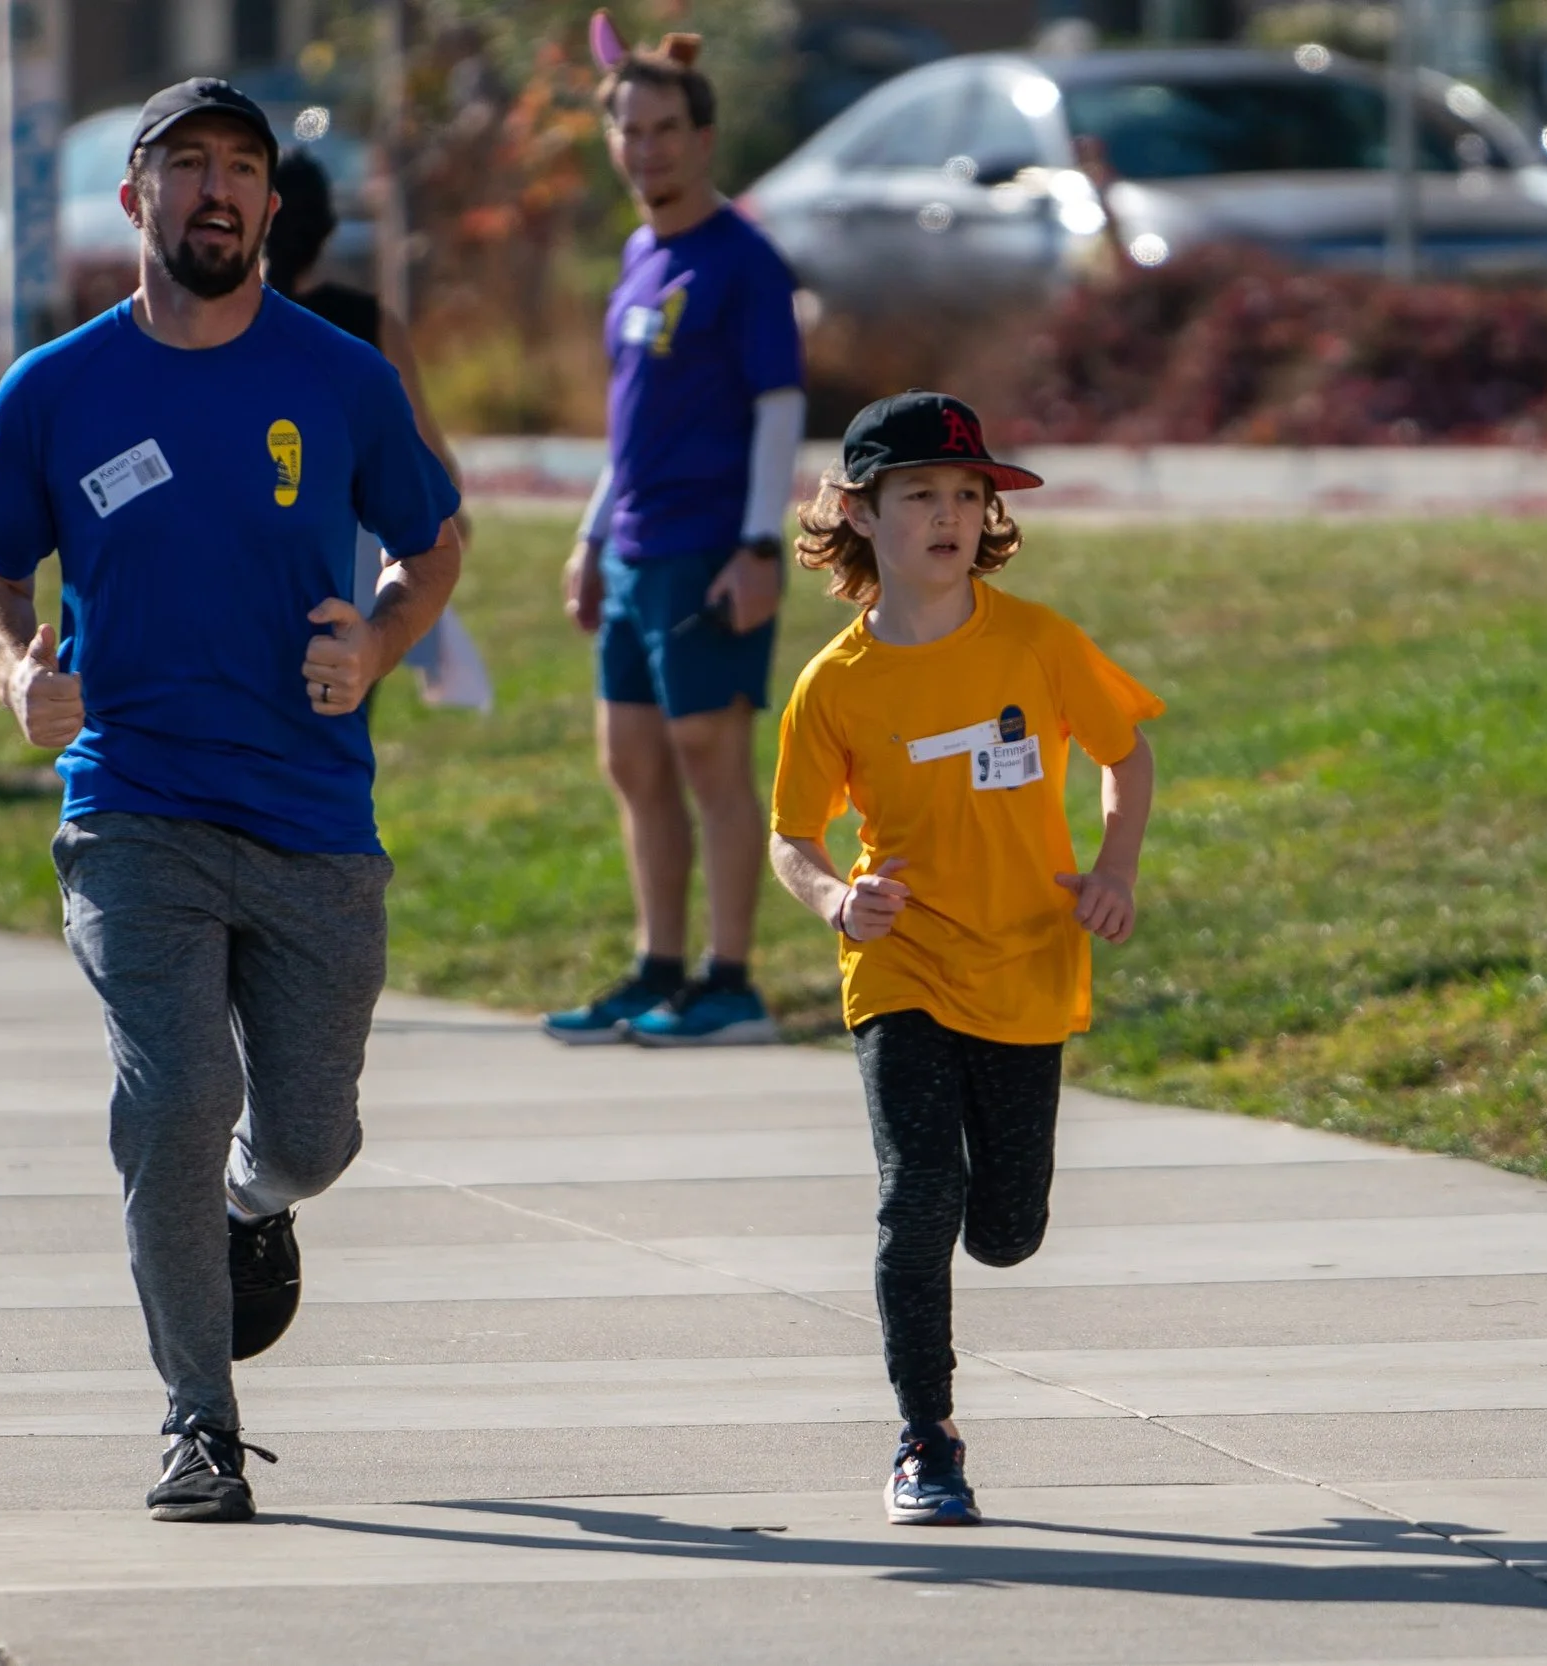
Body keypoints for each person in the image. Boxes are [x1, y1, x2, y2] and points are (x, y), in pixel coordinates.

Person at [0, 78, 463, 1524]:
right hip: (133, 802)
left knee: (308, 1136)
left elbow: (431, 547)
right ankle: (198, 1421)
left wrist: (376, 640)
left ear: (273, 209)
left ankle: (257, 1200)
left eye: (244, 168)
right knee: (173, 1098)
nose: (218, 192)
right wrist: (13, 675)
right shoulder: (53, 390)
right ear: (134, 198)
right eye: (188, 168)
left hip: (309, 814)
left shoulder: (341, 378)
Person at [767, 391, 1162, 1526]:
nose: (948, 516)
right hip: (901, 967)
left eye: (965, 494)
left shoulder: (1036, 643)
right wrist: (840, 900)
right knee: (918, 1193)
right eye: (919, 495)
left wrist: (1114, 869)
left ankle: (978, 1282)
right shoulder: (834, 683)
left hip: (1029, 957)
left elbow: (1125, 757)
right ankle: (924, 1437)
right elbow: (793, 837)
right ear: (860, 514)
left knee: (1005, 1229)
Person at [540, 14, 807, 1047]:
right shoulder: (639, 252)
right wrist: (590, 537)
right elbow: (629, 424)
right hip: (636, 549)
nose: (644, 148)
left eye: (663, 129)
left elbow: (778, 409)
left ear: (703, 138)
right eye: (627, 131)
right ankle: (657, 967)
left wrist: (757, 547)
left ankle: (729, 980)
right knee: (633, 764)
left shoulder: (743, 262)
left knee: (709, 760)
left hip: (709, 549)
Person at [263, 149, 488, 710]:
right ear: (327, 231)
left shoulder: (232, 326)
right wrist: (448, 517)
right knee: (343, 701)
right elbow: (424, 444)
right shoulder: (366, 324)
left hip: (255, 550)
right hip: (351, 557)